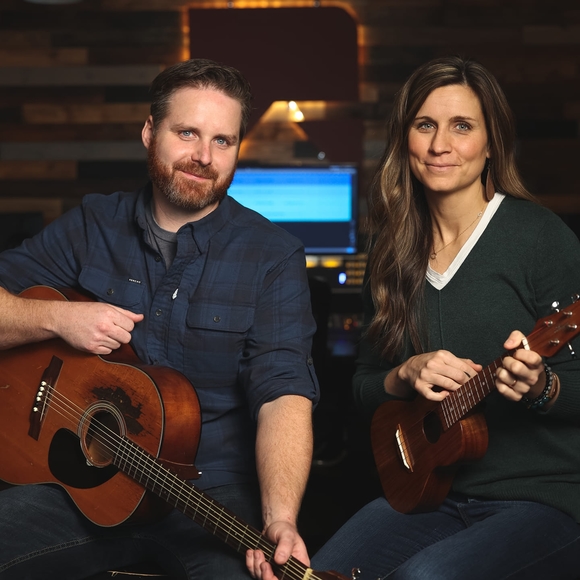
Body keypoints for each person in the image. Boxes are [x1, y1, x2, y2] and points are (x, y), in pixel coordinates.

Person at [0, 58, 319, 580]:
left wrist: (280, 516)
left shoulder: (274, 255)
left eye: (222, 140)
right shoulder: (93, 224)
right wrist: (57, 318)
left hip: (210, 493)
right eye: (187, 132)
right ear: (150, 132)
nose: (204, 156)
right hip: (80, 482)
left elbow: (282, 393)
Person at [306, 56, 580, 580]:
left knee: (425, 577)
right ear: (404, 138)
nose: (440, 145)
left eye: (462, 126)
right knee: (319, 573)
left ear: (491, 142)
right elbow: (362, 388)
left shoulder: (540, 238)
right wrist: (404, 373)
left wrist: (543, 387)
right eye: (425, 125)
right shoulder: (390, 251)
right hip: (431, 495)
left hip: (545, 500)